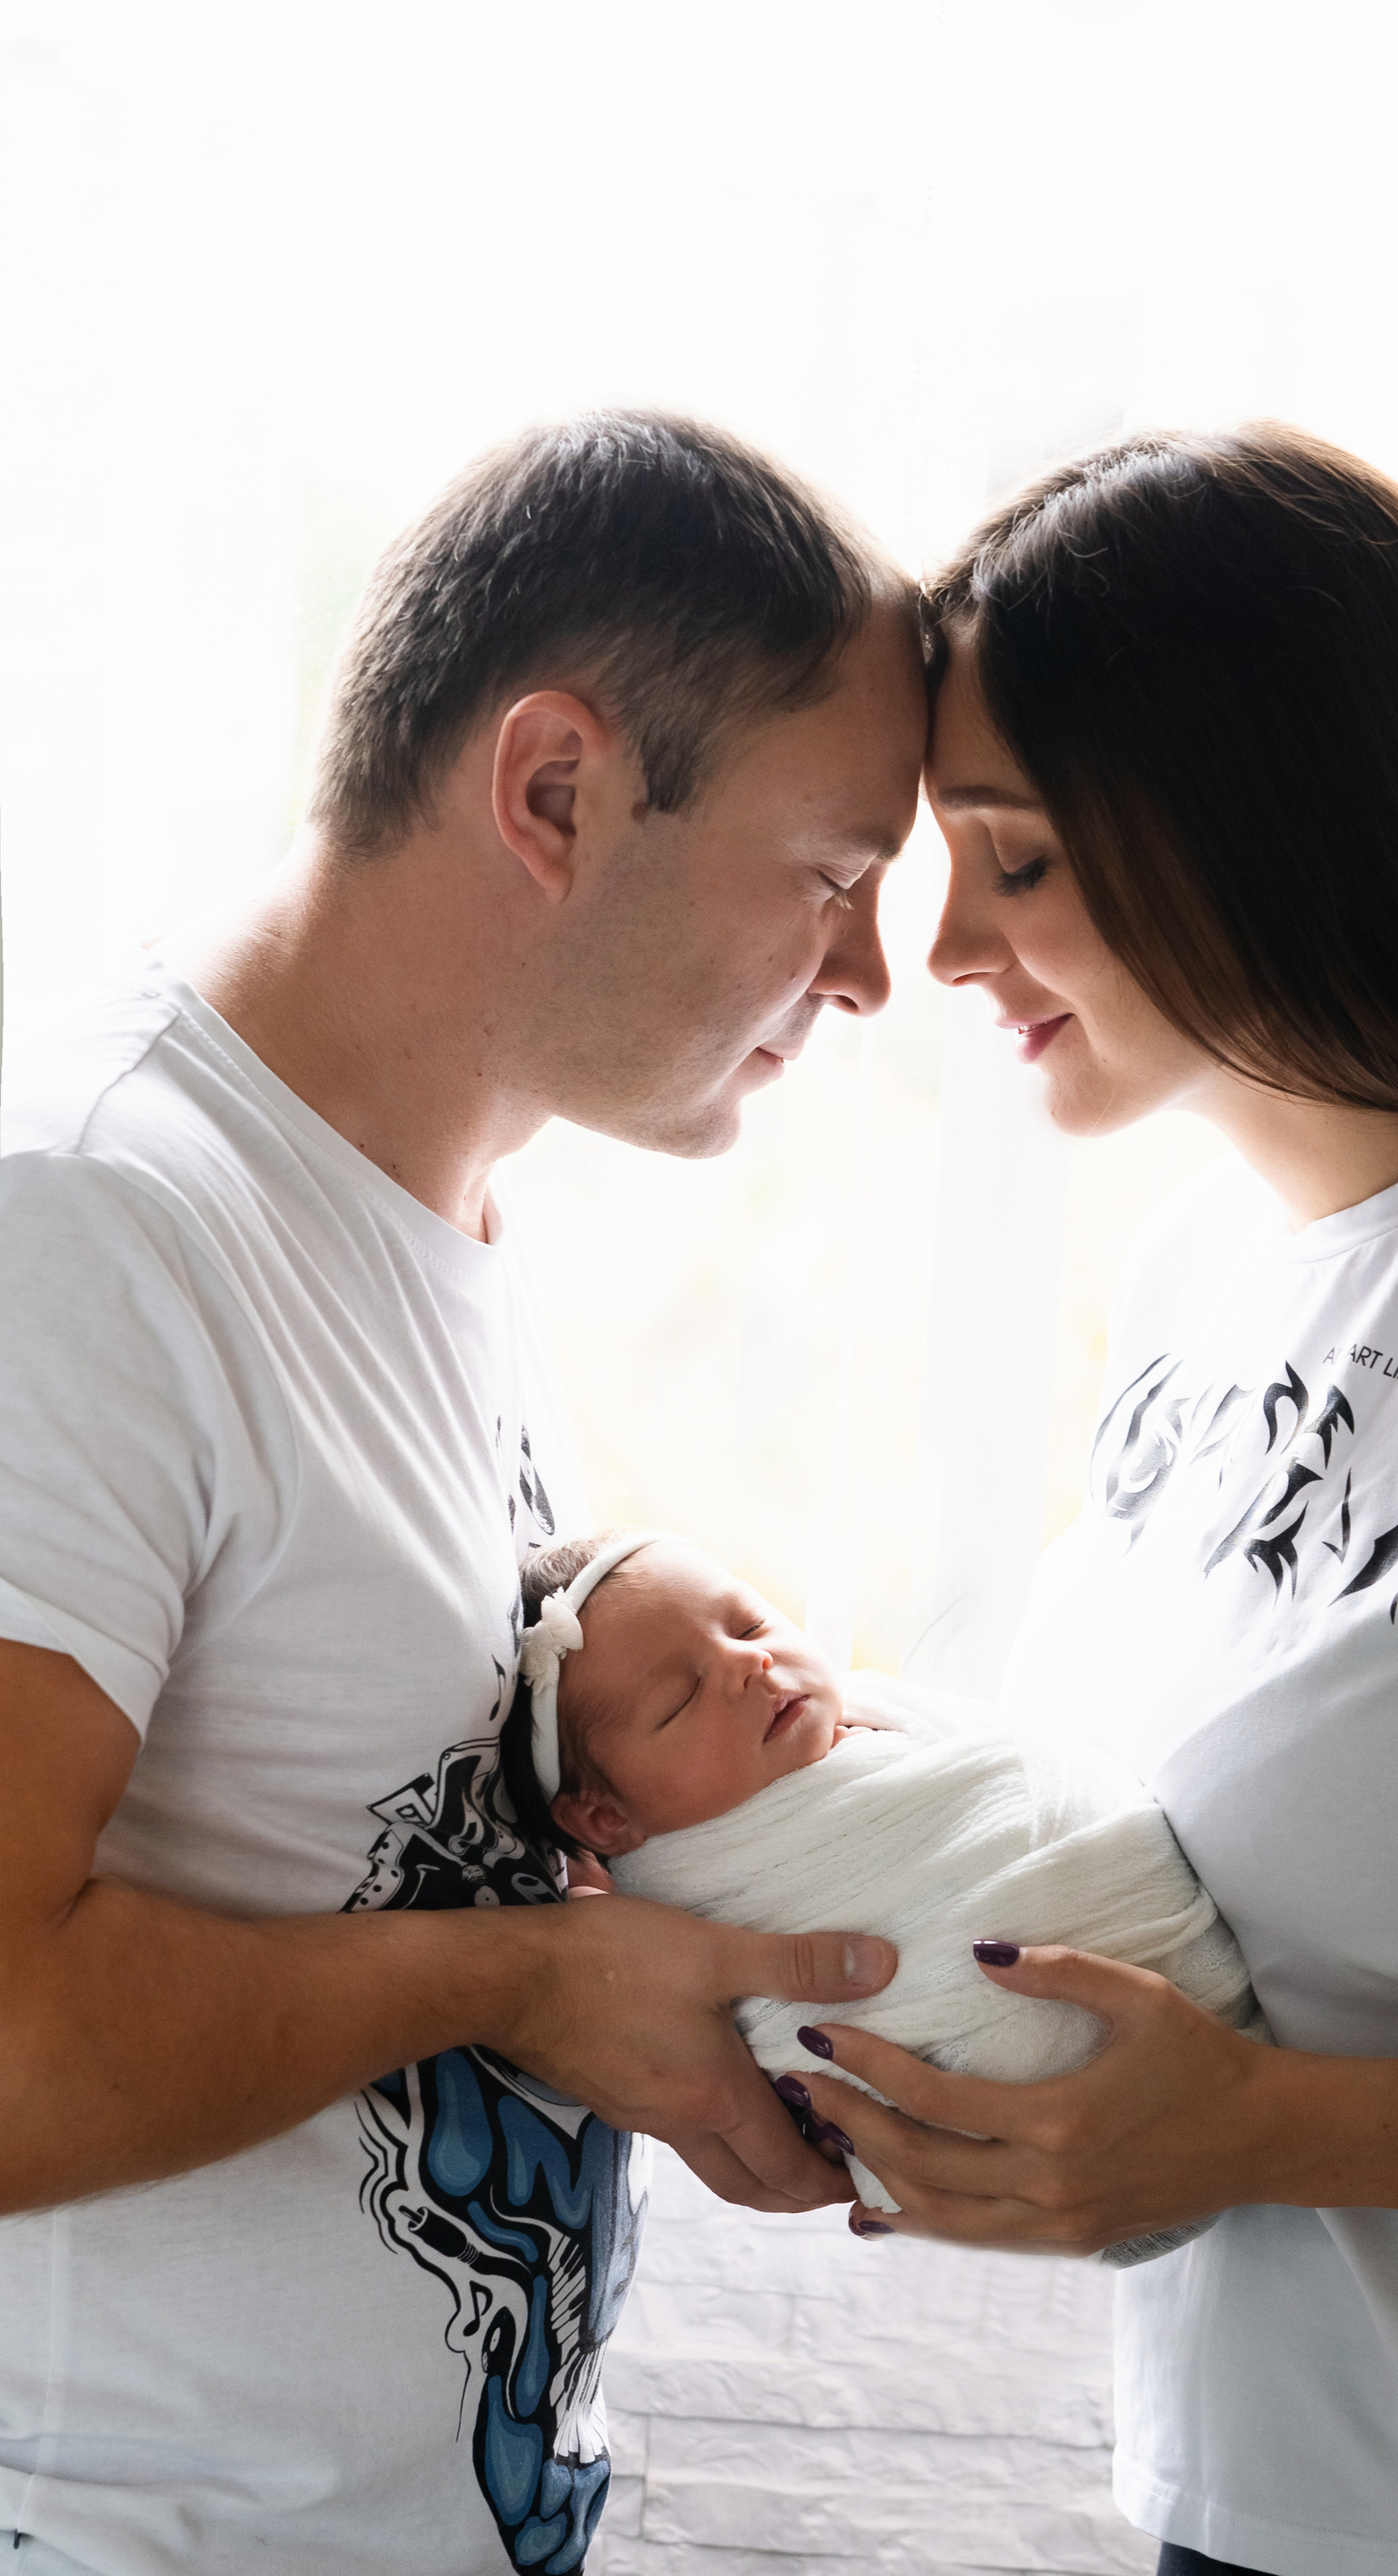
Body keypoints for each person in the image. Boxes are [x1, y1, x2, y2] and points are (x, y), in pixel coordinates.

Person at [791, 425, 1398, 2576]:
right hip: (1242, 2508)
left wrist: (1275, 2128)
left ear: (1259, 825)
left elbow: (1250, 2089)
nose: (947, 947)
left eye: (1017, 859)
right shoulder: (1207, 1276)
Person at [0, 412, 920, 2576]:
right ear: (557, 792)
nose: (870, 972)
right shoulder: (90, 1229)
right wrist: (518, 1981)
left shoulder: (444, 1221)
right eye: (834, 871)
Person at [508, 1528, 1259, 2234]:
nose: (748, 1663)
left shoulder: (882, 1714)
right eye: (680, 1697)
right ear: (605, 1820)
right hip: (1037, 2137)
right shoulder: (672, 1913)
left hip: (1206, 2063)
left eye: (749, 1624)